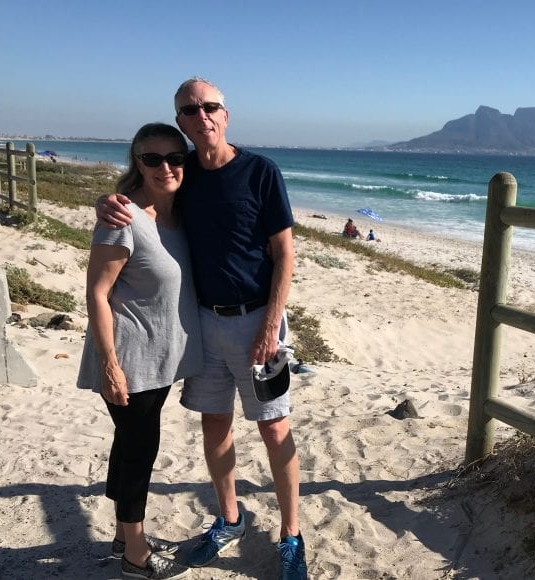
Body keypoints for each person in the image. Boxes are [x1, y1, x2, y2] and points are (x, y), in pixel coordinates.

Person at [97, 77, 307, 579]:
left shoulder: (260, 171)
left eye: (210, 107)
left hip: (260, 319)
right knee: (214, 424)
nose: (202, 116)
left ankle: (291, 534)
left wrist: (271, 323)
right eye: (190, 111)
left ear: (226, 114)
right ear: (181, 122)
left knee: (274, 427)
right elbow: (141, 193)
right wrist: (106, 201)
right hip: (204, 323)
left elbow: (284, 253)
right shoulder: (183, 172)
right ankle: (229, 518)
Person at [77, 123, 202, 580]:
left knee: (129, 444)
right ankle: (135, 551)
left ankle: (119, 532)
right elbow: (96, 294)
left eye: (176, 157)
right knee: (140, 450)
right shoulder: (122, 217)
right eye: (153, 159)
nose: (166, 166)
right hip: (129, 360)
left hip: (162, 358)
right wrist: (110, 366)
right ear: (137, 161)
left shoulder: (178, 212)